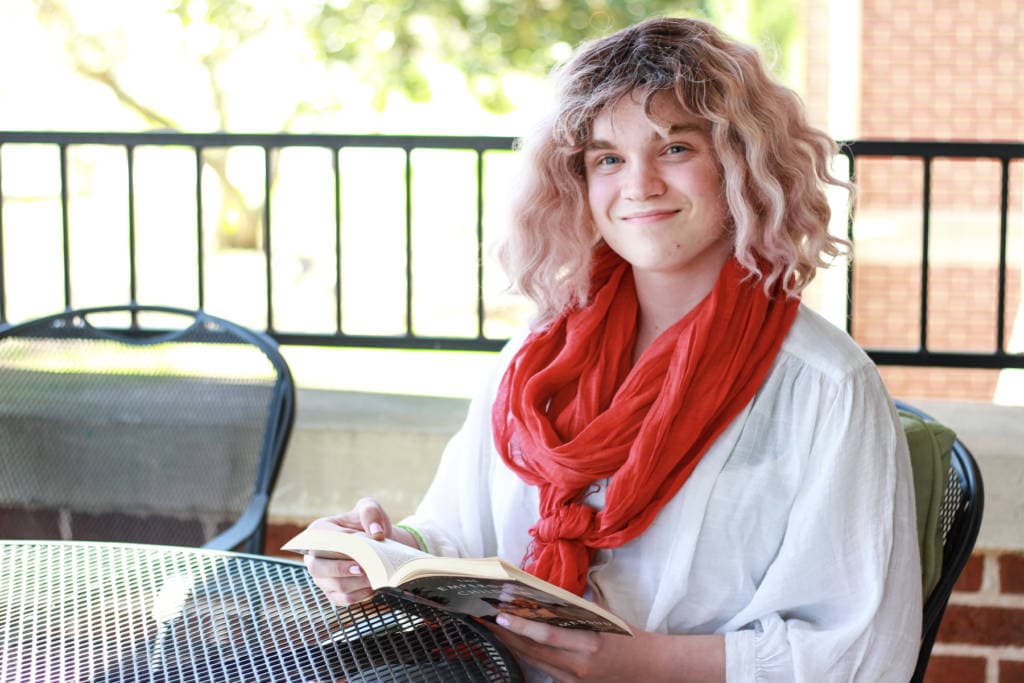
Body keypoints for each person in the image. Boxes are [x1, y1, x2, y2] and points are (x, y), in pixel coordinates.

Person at [304, 16, 922, 681]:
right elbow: (460, 535)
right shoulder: (536, 356)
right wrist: (385, 549)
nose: (639, 184)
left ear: (743, 161)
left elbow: (861, 651)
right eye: (608, 158)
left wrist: (645, 663)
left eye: (676, 148)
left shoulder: (823, 384)